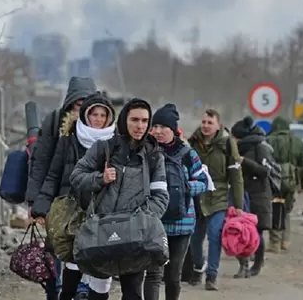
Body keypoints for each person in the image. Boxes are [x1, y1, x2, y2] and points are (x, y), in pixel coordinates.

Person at [69, 98, 169, 300]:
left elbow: (161, 196)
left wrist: (142, 218)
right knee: (98, 292)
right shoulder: (104, 148)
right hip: (102, 231)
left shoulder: (154, 155)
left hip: (134, 235)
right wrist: (100, 178)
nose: (139, 126)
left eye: (144, 120)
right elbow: (76, 176)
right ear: (124, 120)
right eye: (134, 120)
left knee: (132, 293)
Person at [31, 92, 116, 300]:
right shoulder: (69, 140)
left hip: (103, 212)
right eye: (94, 114)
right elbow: (53, 174)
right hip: (72, 210)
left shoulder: (115, 143)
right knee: (73, 265)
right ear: (86, 116)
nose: (98, 119)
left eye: (102, 115)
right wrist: (40, 207)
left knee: (99, 267)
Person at [25, 76, 96, 300]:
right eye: (78, 102)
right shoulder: (55, 122)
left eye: (86, 102)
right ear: (70, 101)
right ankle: (53, 289)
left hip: (89, 200)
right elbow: (41, 163)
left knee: (84, 246)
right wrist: (35, 202)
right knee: (55, 245)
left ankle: (79, 290)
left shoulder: (99, 124)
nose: (81, 106)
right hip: (57, 198)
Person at [143, 104, 209, 300]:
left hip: (182, 224)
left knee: (173, 276)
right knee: (154, 274)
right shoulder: (146, 152)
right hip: (154, 222)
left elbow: (203, 181)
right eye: (154, 127)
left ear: (173, 129)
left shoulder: (188, 155)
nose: (158, 131)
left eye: (163, 127)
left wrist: (187, 187)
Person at [187, 108, 245, 291]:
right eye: (203, 122)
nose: (205, 126)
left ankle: (211, 275)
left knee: (215, 235)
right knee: (195, 239)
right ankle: (198, 266)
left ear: (218, 125)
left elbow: (236, 175)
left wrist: (238, 205)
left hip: (218, 197)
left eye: (210, 123)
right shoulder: (193, 142)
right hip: (197, 196)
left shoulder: (227, 144)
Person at [230, 117, 274, 278]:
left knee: (257, 231)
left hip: (259, 194)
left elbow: (265, 171)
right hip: (242, 193)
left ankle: (257, 264)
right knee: (239, 231)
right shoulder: (237, 148)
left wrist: (244, 162)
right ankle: (243, 265)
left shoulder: (260, 147)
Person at [266, 116, 303, 253]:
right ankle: (286, 240)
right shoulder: (297, 142)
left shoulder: (268, 141)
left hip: (274, 179)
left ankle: (275, 242)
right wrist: (302, 184)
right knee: (286, 209)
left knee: (275, 208)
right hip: (291, 179)